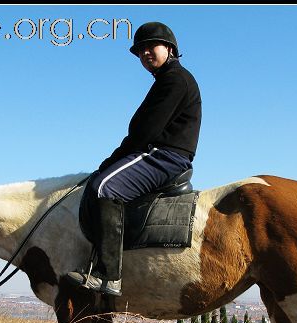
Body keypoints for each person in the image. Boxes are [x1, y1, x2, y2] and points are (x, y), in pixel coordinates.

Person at [66, 21, 202, 296]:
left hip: (164, 156)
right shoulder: (167, 80)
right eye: (140, 51)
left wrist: (111, 161)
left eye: (151, 46)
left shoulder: (175, 79)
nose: (145, 53)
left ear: (170, 48)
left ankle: (109, 275)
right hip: (159, 152)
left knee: (105, 187)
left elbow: (144, 132)